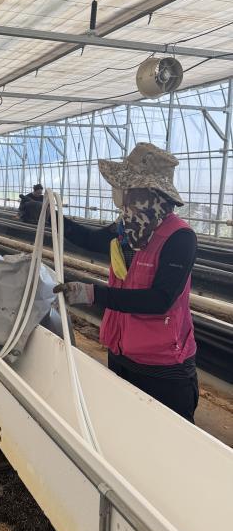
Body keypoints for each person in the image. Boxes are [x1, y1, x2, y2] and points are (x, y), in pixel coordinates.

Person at [53, 143, 198, 422]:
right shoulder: (128, 228)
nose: (118, 193)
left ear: (143, 192)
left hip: (161, 365)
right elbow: (90, 240)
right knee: (124, 424)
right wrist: (57, 220)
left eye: (124, 187)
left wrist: (92, 294)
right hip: (121, 350)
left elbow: (160, 300)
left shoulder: (180, 237)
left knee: (164, 432)